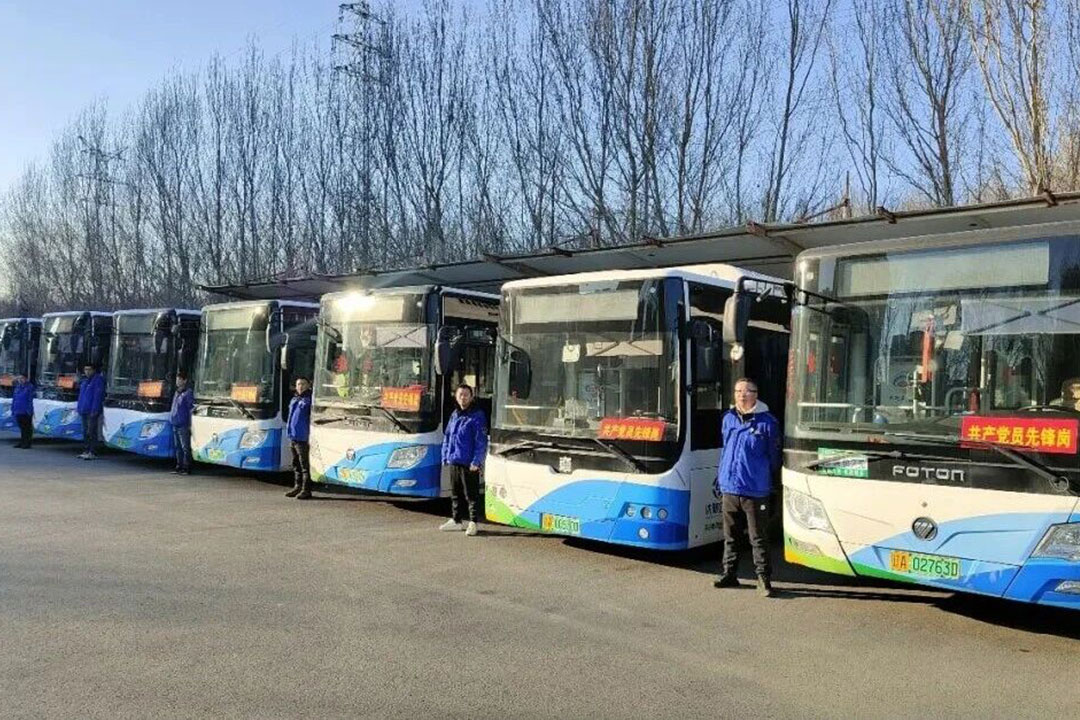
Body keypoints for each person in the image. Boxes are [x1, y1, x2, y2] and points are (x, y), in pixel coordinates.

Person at [713, 377, 781, 598]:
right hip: (730, 487)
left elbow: (774, 458)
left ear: (756, 394)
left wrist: (764, 478)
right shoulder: (728, 418)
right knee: (730, 535)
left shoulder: (767, 423)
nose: (742, 395)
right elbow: (726, 449)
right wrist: (722, 477)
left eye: (747, 391)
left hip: (755, 489)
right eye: (738, 391)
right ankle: (729, 573)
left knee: (757, 537)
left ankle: (763, 578)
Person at [439, 384, 488, 537]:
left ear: (471, 397)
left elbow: (481, 441)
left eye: (466, 395)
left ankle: (473, 522)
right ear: (456, 396)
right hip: (454, 460)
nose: (463, 398)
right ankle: (456, 520)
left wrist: (476, 461)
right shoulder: (455, 414)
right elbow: (448, 436)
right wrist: (445, 455)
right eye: (460, 394)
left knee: (471, 495)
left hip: (469, 463)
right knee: (455, 493)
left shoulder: (477, 415)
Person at [285, 377, 313, 500]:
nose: (300, 386)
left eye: (303, 384)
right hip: (293, 436)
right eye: (298, 384)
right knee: (296, 464)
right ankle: (297, 486)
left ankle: (306, 490)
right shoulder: (294, 399)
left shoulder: (309, 400)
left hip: (303, 438)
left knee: (304, 465)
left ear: (308, 385)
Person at [77, 363, 106, 460]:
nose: (87, 371)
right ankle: (86, 450)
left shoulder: (98, 380)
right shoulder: (85, 381)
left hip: (92, 411)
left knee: (92, 432)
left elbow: (97, 397)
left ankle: (92, 452)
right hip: (84, 410)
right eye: (85, 369)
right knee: (85, 431)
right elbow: (81, 396)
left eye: (89, 369)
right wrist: (79, 408)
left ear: (94, 370)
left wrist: (95, 410)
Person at [170, 372, 195, 474]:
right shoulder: (177, 392)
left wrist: (190, 424)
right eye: (177, 379)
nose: (177, 381)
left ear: (185, 381)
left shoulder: (188, 393)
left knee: (185, 447)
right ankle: (179, 466)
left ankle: (187, 467)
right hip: (175, 423)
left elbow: (190, 408)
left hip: (183, 424)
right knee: (178, 447)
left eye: (180, 379)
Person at [12, 373, 34, 449]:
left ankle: (27, 443)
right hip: (18, 410)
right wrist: (13, 409)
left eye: (22, 378)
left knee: (27, 428)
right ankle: (22, 442)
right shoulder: (18, 387)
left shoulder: (29, 387)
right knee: (22, 428)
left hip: (25, 411)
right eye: (20, 378)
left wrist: (29, 410)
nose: (21, 380)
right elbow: (14, 398)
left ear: (26, 379)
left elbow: (30, 399)